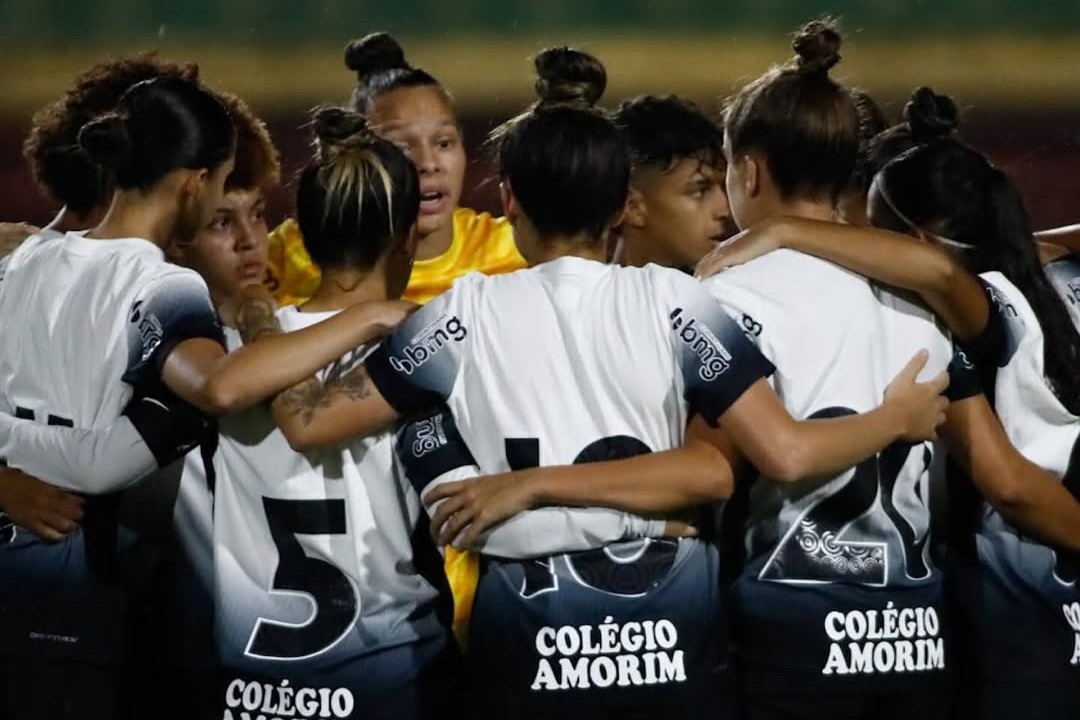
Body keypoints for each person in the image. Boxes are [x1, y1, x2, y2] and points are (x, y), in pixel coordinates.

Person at [245, 45, 946, 720]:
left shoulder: (458, 316)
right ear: (620, 205)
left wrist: (260, 319)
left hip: (528, 653)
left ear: (509, 197)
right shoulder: (680, 304)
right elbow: (722, 468)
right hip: (675, 654)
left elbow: (308, 420)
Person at [0, 76, 407, 720]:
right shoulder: (160, 284)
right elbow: (221, 386)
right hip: (68, 609)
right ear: (193, 183)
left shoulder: (25, 258)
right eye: (221, 190)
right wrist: (372, 317)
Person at [698, 86, 1080, 720]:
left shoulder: (968, 305)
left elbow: (1008, 482)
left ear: (749, 169)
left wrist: (787, 232)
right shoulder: (1038, 281)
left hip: (1000, 614)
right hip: (935, 638)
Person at [692, 21, 975, 720]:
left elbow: (713, 466)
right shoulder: (921, 294)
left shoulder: (725, 295)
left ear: (748, 171)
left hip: (791, 638)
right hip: (918, 636)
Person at [266, 31, 525, 307]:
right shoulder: (290, 252)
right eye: (402, 148)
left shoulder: (515, 249)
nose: (428, 164)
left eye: (444, 143)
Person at [610, 94, 735, 269]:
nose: (726, 211)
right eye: (700, 190)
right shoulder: (576, 293)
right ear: (631, 206)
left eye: (724, 188)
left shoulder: (735, 291)